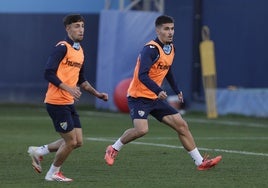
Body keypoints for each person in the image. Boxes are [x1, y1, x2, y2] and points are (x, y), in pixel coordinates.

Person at [104, 15, 222, 170]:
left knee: (182, 125)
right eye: (166, 29)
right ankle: (113, 148)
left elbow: (168, 70)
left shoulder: (171, 47)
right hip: (138, 97)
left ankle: (200, 162)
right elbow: (142, 75)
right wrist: (159, 90)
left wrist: (176, 89)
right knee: (142, 130)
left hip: (155, 98)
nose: (170, 32)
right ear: (157, 30)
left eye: (172, 29)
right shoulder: (150, 49)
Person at [27, 14, 108, 182]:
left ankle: (39, 151)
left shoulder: (80, 51)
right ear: (68, 28)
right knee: (70, 142)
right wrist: (69, 89)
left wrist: (97, 94)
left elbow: (82, 80)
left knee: (77, 141)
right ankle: (53, 173)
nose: (81, 29)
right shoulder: (62, 47)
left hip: (68, 102)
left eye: (83, 26)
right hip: (56, 102)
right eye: (77, 26)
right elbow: (48, 73)